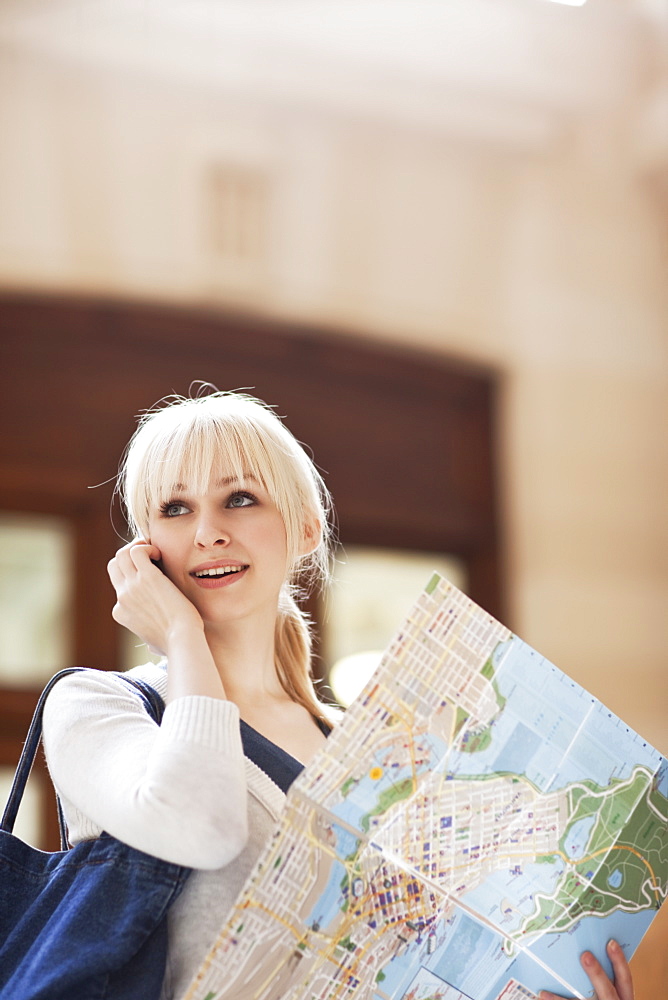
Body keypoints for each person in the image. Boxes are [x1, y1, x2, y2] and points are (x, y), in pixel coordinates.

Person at [42, 389, 635, 1000]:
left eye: (239, 498)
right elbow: (201, 828)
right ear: (144, 551)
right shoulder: (97, 706)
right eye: (174, 509)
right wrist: (181, 634)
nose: (207, 532)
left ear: (304, 528)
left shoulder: (378, 752)